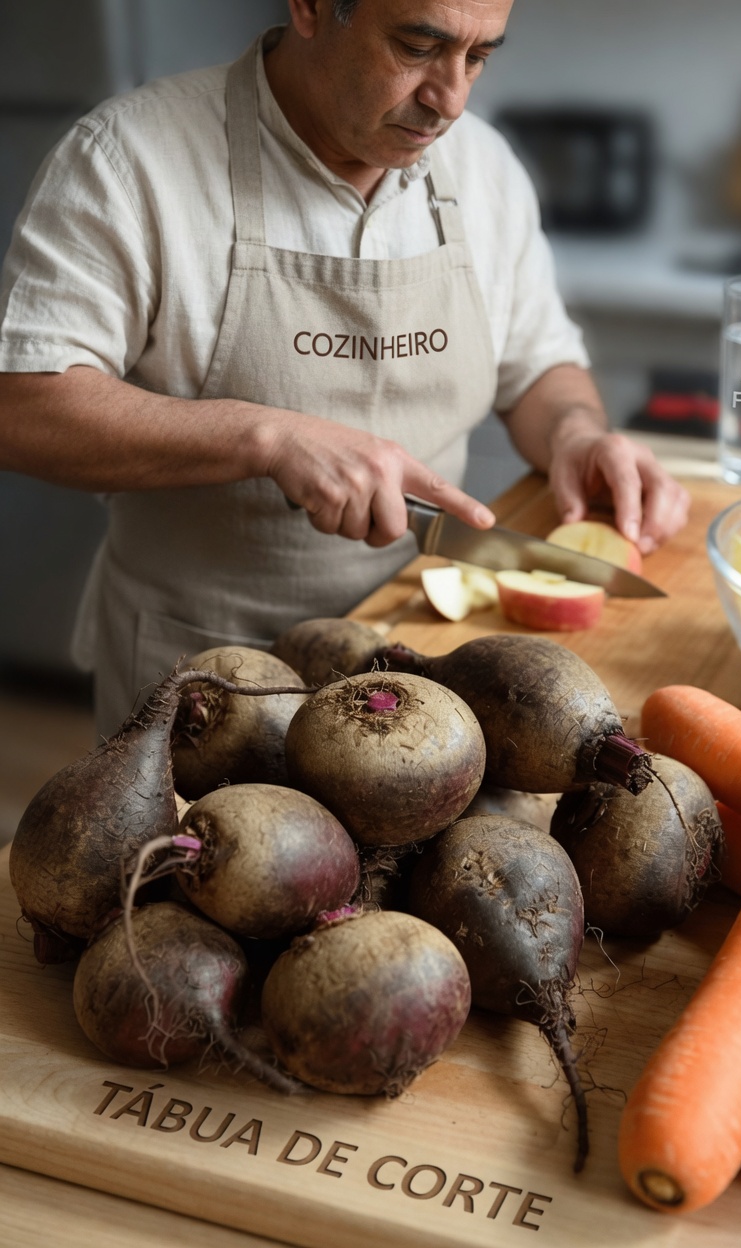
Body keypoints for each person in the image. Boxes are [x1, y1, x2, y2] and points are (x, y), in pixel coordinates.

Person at [0, 0, 689, 735]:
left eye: (479, 56)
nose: (449, 98)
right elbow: (22, 408)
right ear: (310, 7)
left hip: (419, 667)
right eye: (418, 45)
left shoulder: (484, 167)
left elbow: (540, 362)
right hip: (206, 677)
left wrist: (576, 435)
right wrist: (264, 437)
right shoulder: (127, 158)